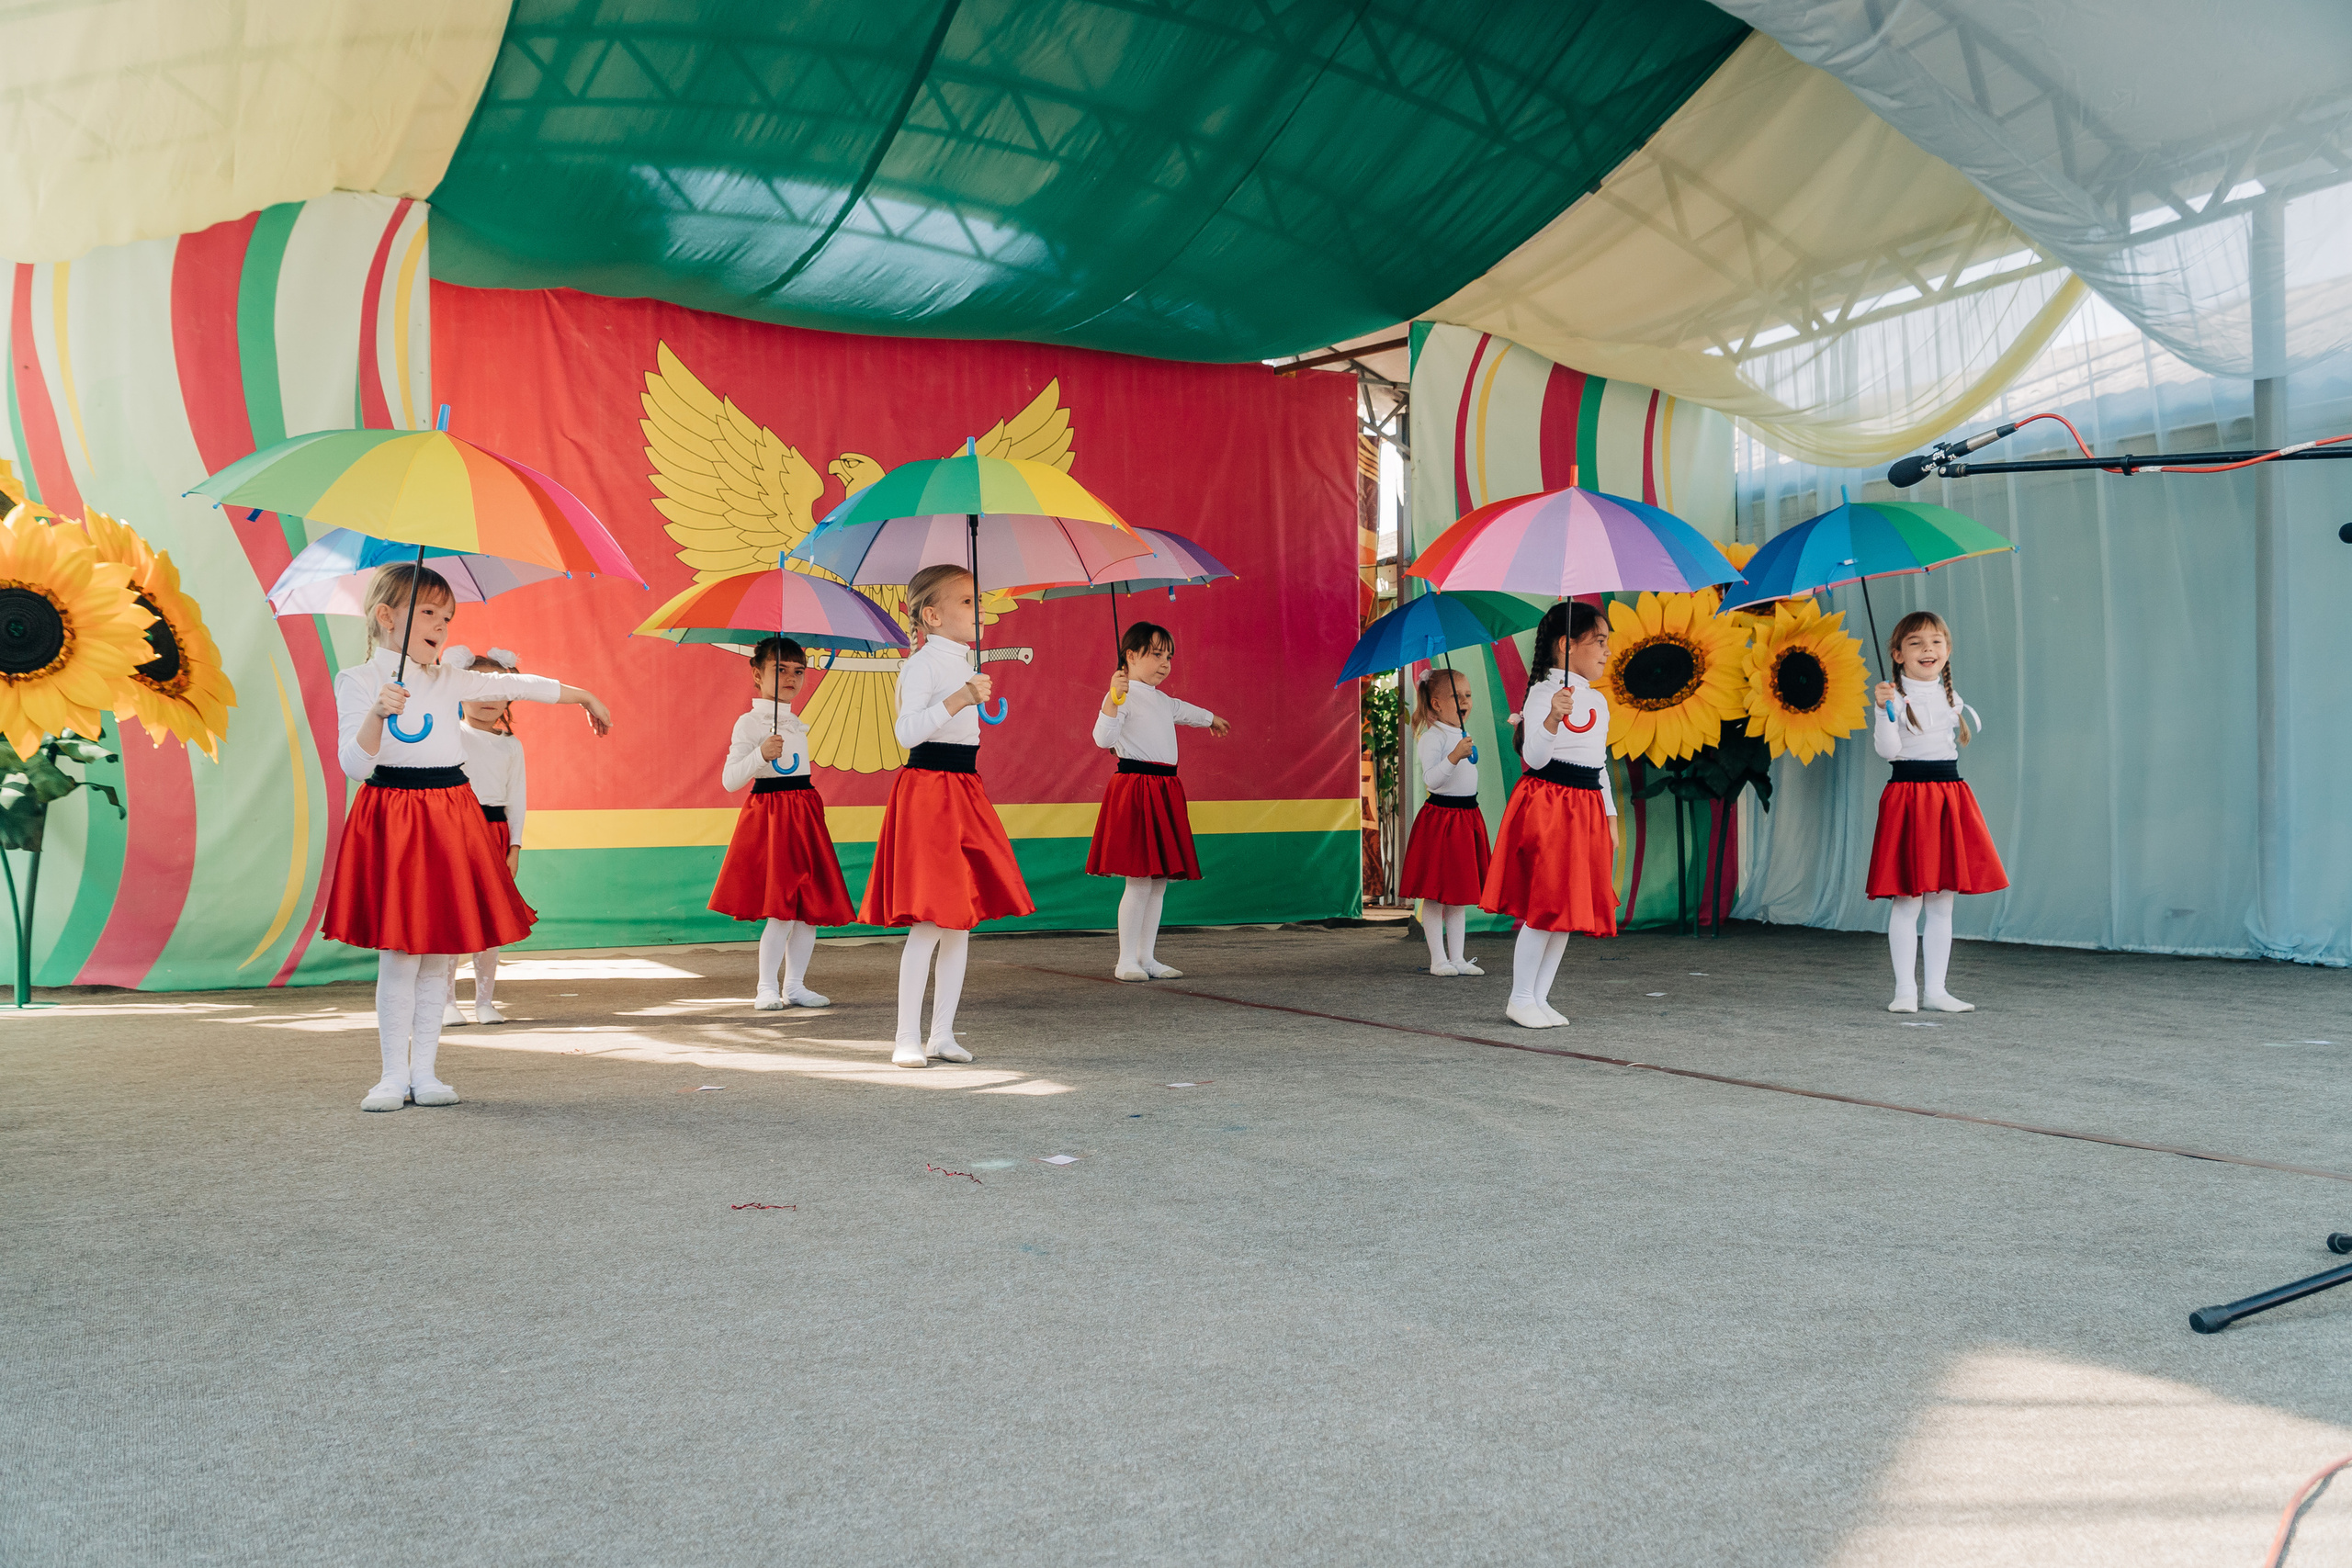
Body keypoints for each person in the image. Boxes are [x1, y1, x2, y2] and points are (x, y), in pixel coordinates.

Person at [326, 563, 611, 1111]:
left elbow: (514, 685)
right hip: (392, 814)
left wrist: (582, 695)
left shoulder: (449, 679)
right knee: (400, 955)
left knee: (437, 955)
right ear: (387, 617)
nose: (442, 625)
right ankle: (391, 1076)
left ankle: (426, 1074)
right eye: (428, 612)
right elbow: (355, 766)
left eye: (447, 616)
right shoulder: (358, 682)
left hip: (450, 814)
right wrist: (378, 714)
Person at [859, 564, 1034, 1067]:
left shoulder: (964, 663)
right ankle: (905, 1036)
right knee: (930, 922)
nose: (978, 610)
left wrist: (967, 691)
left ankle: (943, 1034)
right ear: (931, 616)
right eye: (966, 602)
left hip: (964, 788)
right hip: (929, 793)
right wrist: (961, 698)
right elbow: (908, 732)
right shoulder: (923, 665)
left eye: (977, 601)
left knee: (960, 922)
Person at [1480, 601, 1620, 1030]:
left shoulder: (1598, 701)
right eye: (1599, 642)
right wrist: (1554, 718)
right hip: (1551, 806)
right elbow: (1536, 758)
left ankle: (1539, 997)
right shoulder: (1543, 694)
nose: (1606, 651)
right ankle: (1520, 996)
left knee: (1568, 909)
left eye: (1607, 643)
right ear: (1566, 645)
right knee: (1546, 906)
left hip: (1586, 807)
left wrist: (1610, 817)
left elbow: (1599, 764)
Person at [1868, 610, 2007, 1012]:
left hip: (1948, 796)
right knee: (1908, 900)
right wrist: (1882, 710)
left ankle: (1936, 991)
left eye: (1935, 642)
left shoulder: (1951, 697)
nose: (1927, 649)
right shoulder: (1891, 697)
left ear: (1947, 651)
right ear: (1897, 654)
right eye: (1915, 643)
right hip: (1908, 798)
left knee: (1942, 901)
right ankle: (1904, 992)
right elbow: (1889, 752)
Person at [708, 635, 854, 1010]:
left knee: (808, 911)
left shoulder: (795, 721)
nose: (791, 677)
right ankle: (765, 987)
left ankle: (796, 984)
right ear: (757, 674)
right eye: (780, 669)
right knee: (782, 908)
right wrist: (760, 753)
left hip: (804, 813)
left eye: (798, 671)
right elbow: (730, 780)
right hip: (773, 817)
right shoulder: (749, 722)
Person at [1086, 620, 1229, 981]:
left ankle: (1146, 957)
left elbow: (1183, 710)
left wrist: (1210, 718)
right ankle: (1125, 961)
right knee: (1138, 880)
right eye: (1156, 654)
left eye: (1169, 656)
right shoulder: (1122, 696)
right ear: (1130, 656)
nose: (1165, 663)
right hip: (1135, 789)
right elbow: (1103, 740)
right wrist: (1112, 700)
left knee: (1159, 881)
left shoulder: (1163, 699)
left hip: (1165, 790)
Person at [447, 649, 529, 1028]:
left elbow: (517, 800)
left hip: (494, 834)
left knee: (489, 922)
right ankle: (446, 1002)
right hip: (454, 831)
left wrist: (514, 846)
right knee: (450, 917)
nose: (486, 700)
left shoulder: (510, 745)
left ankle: (484, 1001)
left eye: (496, 690)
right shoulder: (448, 734)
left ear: (510, 695)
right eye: (477, 689)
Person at [1399, 666, 1489, 976]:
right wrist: (1454, 756)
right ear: (1436, 703)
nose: (1465, 701)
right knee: (1437, 893)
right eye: (1456, 696)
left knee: (1458, 895)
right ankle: (1439, 959)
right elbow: (1432, 781)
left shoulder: (1459, 734)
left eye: (1468, 695)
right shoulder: (1432, 737)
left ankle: (1459, 957)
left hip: (1466, 817)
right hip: (1442, 820)